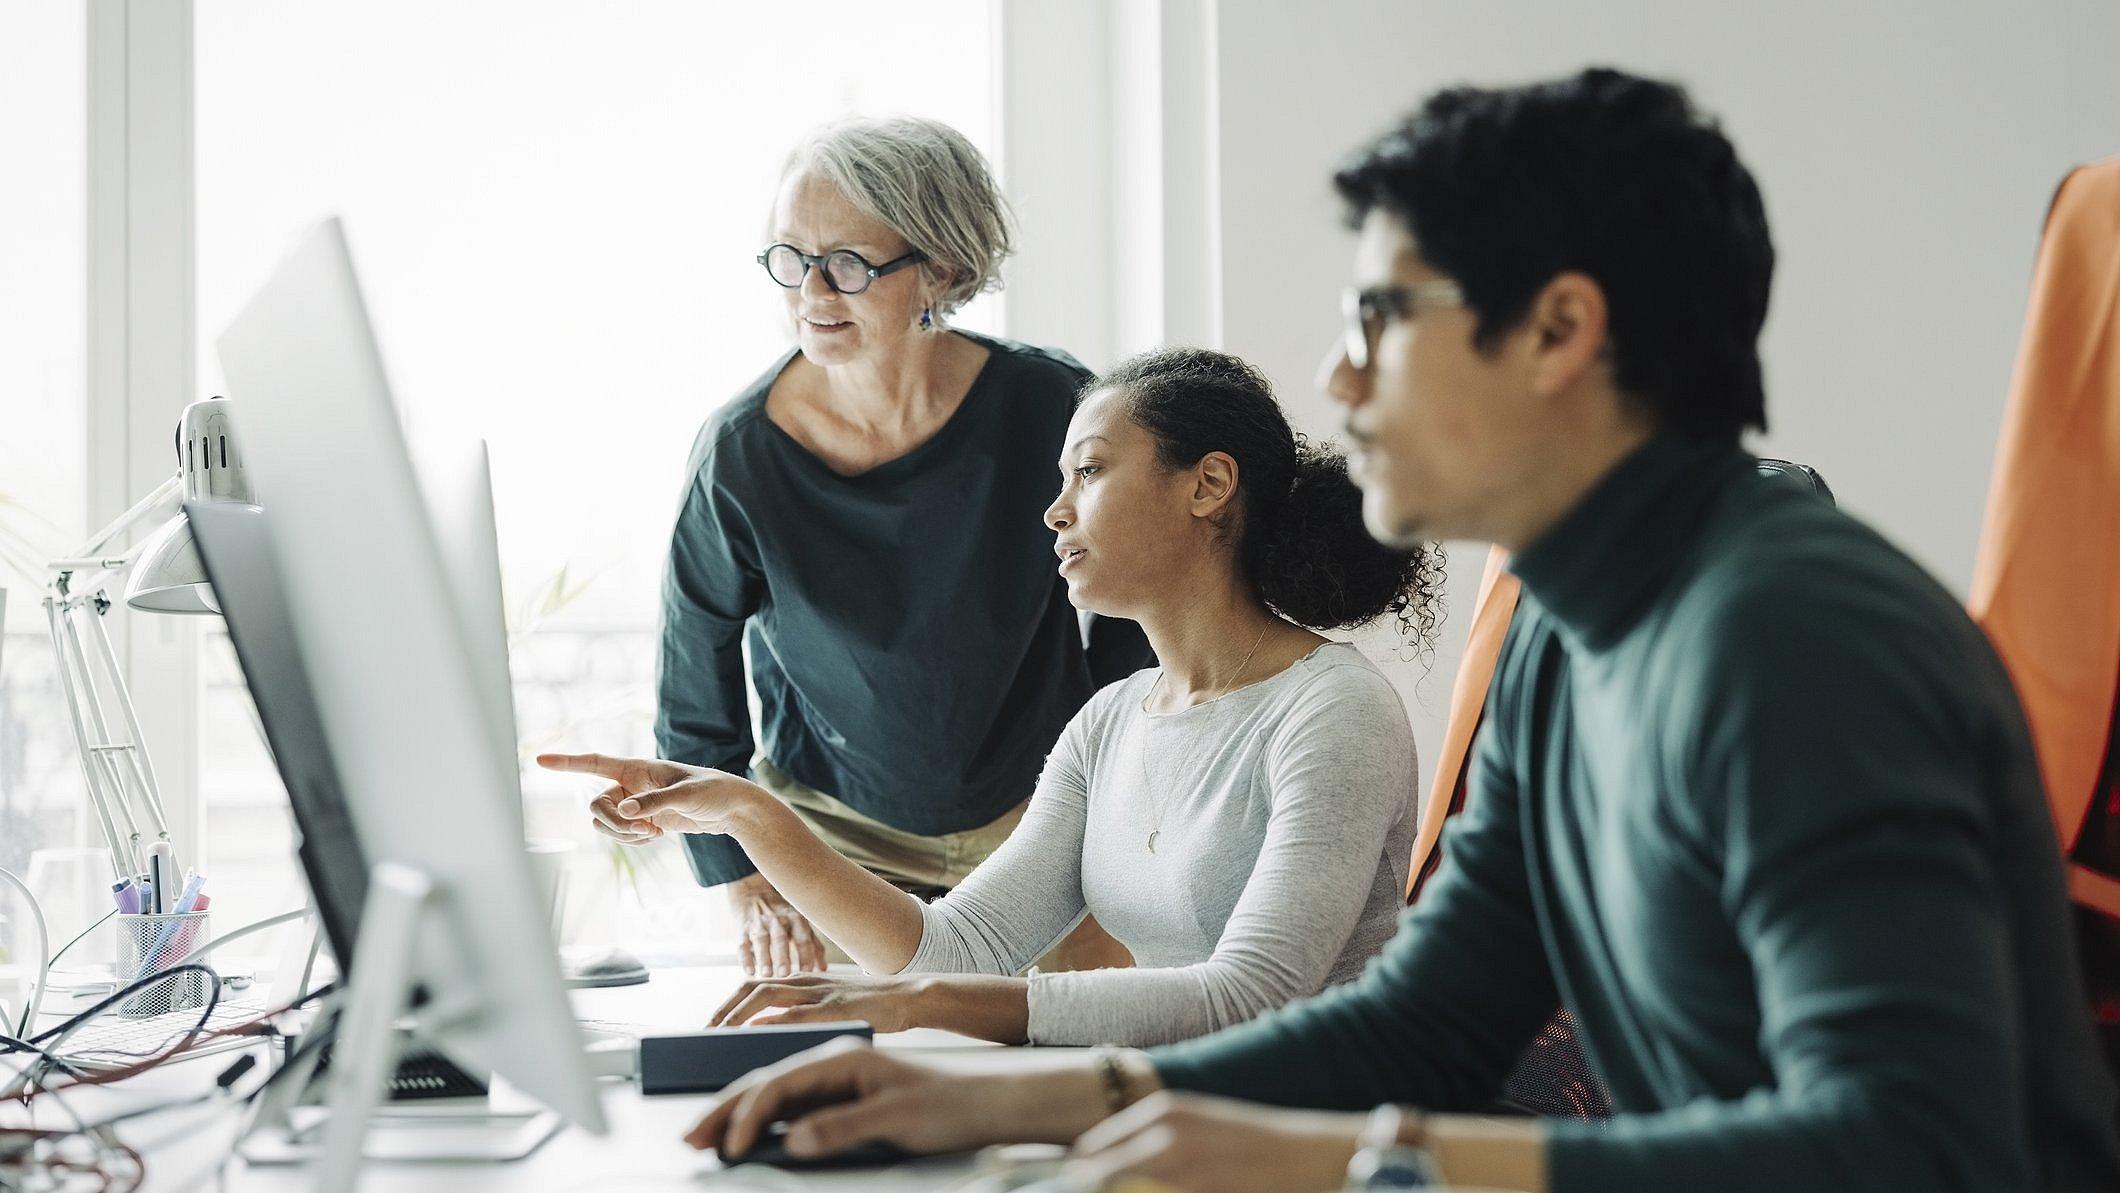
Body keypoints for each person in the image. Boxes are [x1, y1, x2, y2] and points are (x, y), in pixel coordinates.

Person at [678, 69, 2120, 1192]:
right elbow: (1425, 1020)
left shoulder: (1796, 641)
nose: (1335, 372)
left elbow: (1913, 1150)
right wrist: (998, 1092)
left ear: (1559, 332)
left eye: (1386, 313)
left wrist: (1343, 1161)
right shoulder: (1570, 631)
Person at [544, 347, 1440, 1046]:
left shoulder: (1332, 709)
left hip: (1317, 1137)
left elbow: (1251, 997)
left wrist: (931, 1006)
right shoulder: (1109, 723)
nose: (1055, 511)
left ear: (1207, 485)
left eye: (1088, 472)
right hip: (1166, 1112)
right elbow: (953, 948)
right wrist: (747, 814)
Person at [653, 115, 1150, 976]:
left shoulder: (1051, 404)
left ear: (942, 269)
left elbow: (1131, 623)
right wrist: (744, 878)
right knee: (865, 1088)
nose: (810, 292)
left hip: (1043, 829)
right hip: (833, 845)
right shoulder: (738, 453)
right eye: (788, 258)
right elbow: (695, 689)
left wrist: (1113, 817)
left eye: (847, 263)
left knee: (1069, 1077)